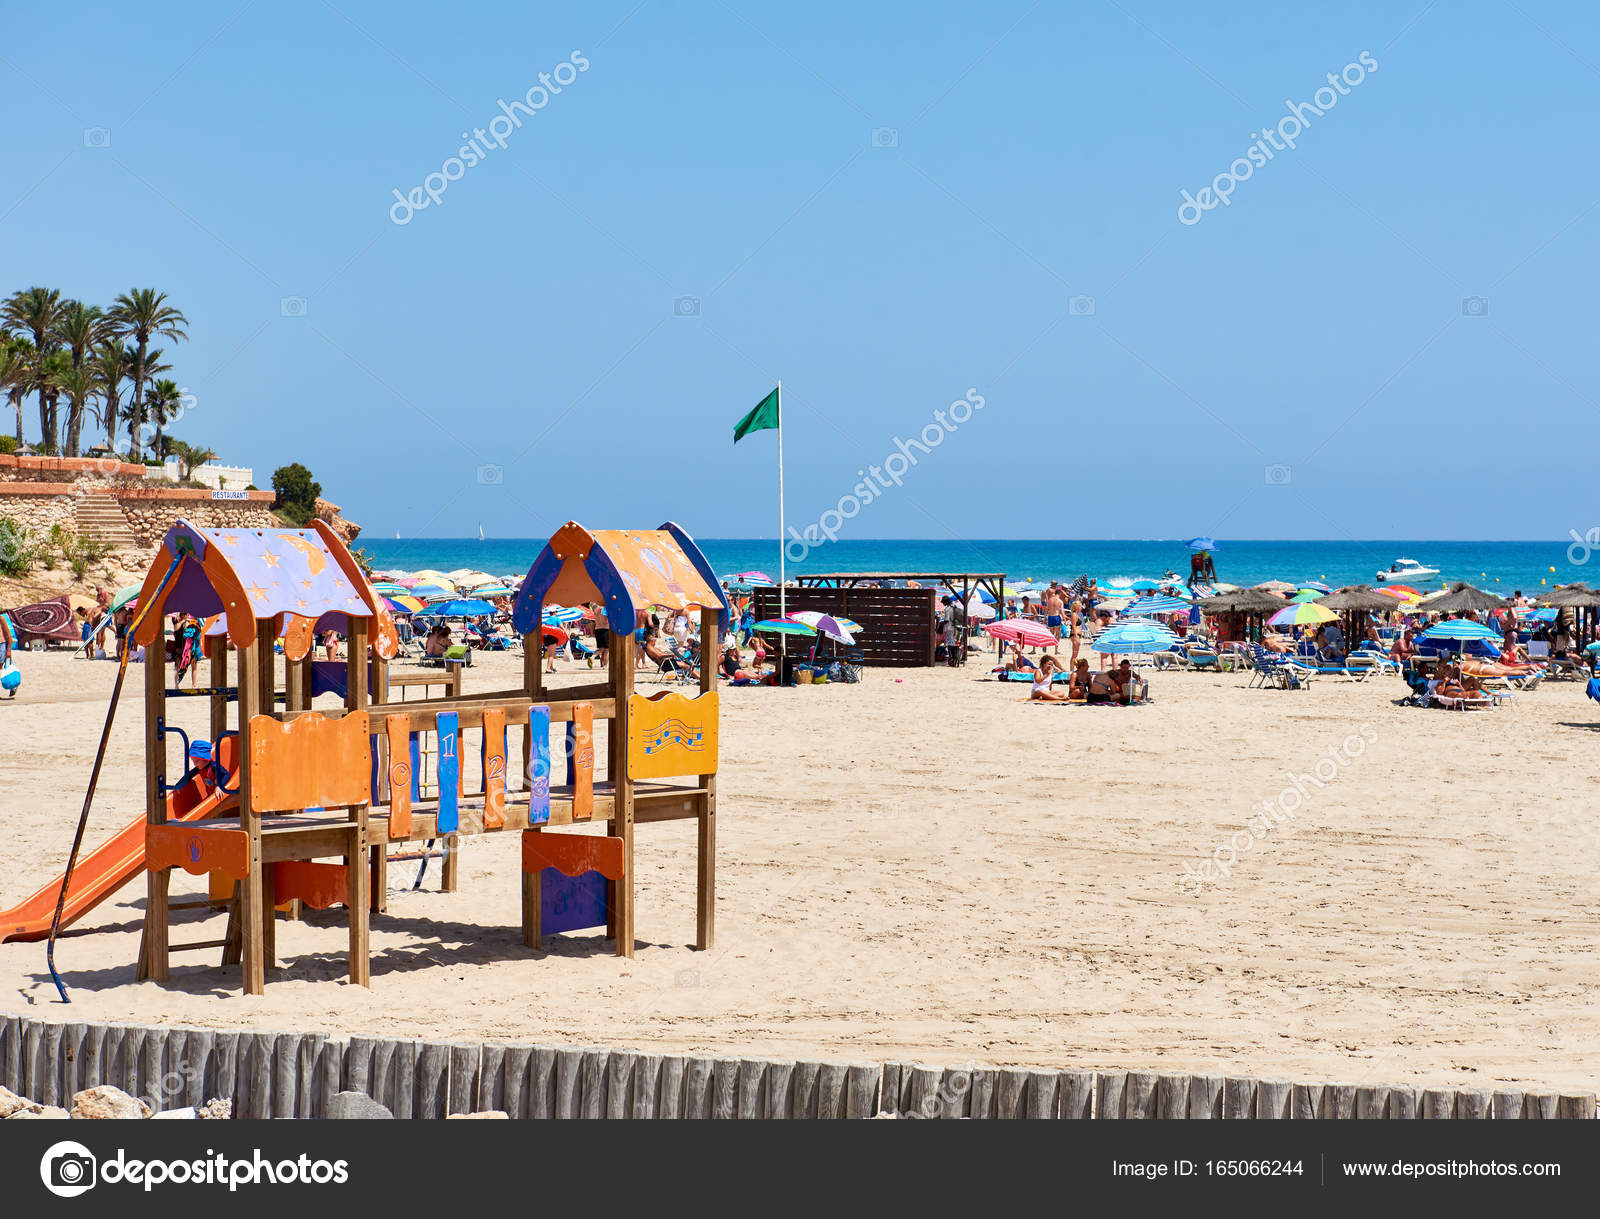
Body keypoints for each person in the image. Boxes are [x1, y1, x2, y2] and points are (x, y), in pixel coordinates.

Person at [1043, 586, 1064, 652]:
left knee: (1050, 633)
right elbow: (1062, 612)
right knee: (1057, 634)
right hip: (1056, 617)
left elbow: (1046, 609)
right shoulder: (1060, 601)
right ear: (1059, 594)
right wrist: (1065, 619)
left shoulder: (1050, 600)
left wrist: (1044, 618)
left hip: (1050, 617)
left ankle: (1045, 645)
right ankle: (1056, 650)